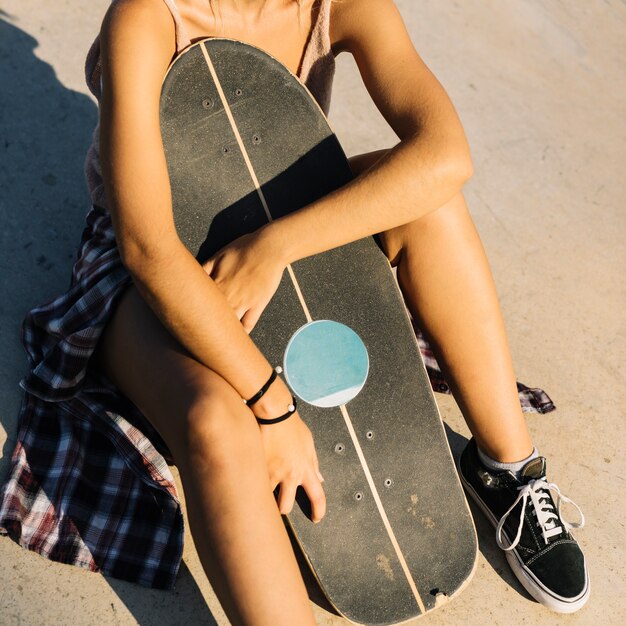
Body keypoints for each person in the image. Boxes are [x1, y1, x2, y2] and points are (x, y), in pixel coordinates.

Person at [0, 0, 588, 622]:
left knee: (433, 205)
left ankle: (507, 470)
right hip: (155, 267)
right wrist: (273, 409)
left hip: (284, 231)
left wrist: (272, 247)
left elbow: (445, 155)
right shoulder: (147, 18)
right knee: (217, 423)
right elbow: (147, 248)